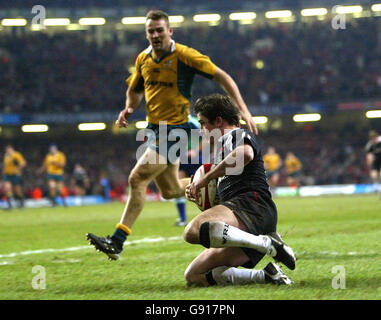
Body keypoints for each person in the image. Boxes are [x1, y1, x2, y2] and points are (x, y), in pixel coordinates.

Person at [86, 10, 258, 260]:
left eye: (159, 30)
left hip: (177, 128)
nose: (155, 35)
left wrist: (243, 110)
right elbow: (134, 89)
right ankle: (222, 184)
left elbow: (223, 77)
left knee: (137, 178)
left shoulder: (185, 55)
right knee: (169, 190)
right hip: (156, 130)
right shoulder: (143, 59)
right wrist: (130, 108)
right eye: (151, 31)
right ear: (146, 33)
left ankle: (117, 240)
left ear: (170, 31)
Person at [183, 94, 295, 287]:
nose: (201, 130)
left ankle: (267, 244)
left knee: (192, 231)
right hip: (249, 222)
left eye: (203, 124)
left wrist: (207, 179)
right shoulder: (222, 150)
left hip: (252, 206)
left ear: (218, 121)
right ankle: (267, 275)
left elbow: (246, 154)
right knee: (194, 275)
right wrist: (200, 195)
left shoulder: (236, 135)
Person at [2, 145, 26, 209]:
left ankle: (21, 202)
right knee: (7, 188)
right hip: (8, 175)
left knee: (17, 190)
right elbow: (5, 166)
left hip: (15, 175)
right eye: (7, 150)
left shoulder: (16, 155)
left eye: (9, 150)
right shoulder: (6, 156)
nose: (8, 151)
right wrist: (3, 173)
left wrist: (17, 168)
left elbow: (23, 163)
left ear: (12, 149)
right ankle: (10, 206)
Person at [365, 130, 381, 195]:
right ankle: (376, 186)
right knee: (374, 173)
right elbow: (368, 154)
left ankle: (378, 187)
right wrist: (369, 161)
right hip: (376, 159)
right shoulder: (370, 144)